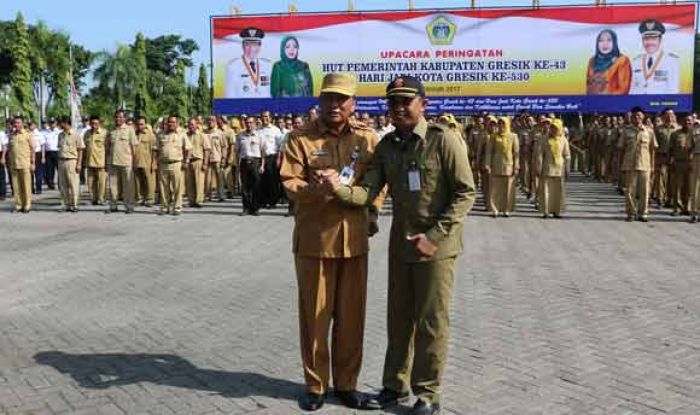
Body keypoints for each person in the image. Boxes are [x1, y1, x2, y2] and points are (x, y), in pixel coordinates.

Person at [325, 75, 475, 415]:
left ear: (423, 104)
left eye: (406, 101)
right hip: (401, 246)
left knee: (431, 322)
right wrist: (338, 188)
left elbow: (466, 193)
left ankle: (428, 394)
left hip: (437, 247)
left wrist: (434, 237)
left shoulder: (444, 140)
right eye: (393, 102)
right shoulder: (388, 146)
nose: (399, 107)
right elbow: (368, 190)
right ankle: (395, 387)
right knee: (399, 320)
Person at [280, 73, 382, 412]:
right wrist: (314, 190)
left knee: (352, 318)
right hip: (314, 241)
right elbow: (289, 182)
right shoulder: (300, 139)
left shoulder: (367, 140)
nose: (334, 105)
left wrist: (371, 212)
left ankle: (347, 385)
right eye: (328, 98)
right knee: (315, 319)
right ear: (320, 100)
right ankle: (316, 386)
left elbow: (378, 183)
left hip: (354, 241)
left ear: (354, 103)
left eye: (342, 99)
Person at [619, 107, 657, 222]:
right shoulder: (626, 131)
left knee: (645, 190)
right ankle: (631, 213)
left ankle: (643, 213)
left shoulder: (649, 131)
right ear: (632, 117)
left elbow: (652, 150)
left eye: (639, 116)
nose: (637, 118)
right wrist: (620, 164)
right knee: (630, 190)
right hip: (630, 164)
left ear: (643, 117)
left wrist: (653, 165)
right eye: (635, 116)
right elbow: (621, 149)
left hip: (645, 164)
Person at [153, 115, 191, 216]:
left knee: (177, 187)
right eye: (169, 122)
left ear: (177, 123)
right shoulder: (160, 134)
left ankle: (177, 207)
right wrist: (154, 162)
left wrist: (185, 161)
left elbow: (188, 149)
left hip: (176, 164)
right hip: (163, 164)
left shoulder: (182, 134)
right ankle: (164, 207)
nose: (171, 124)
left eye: (173, 122)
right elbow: (156, 149)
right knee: (163, 187)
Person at [630, 19, 680, 94]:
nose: (649, 42)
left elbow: (673, 90)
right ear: (642, 40)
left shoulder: (671, 61)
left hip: (659, 104)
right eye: (646, 39)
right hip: (638, 104)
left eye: (653, 39)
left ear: (660, 40)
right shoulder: (636, 61)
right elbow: (632, 88)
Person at [484, 117, 519, 217]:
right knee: (494, 189)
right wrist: (487, 164)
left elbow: (516, 153)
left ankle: (507, 209)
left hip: (509, 166)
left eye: (503, 124)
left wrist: (516, 166)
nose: (501, 126)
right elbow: (489, 152)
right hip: (496, 166)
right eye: (499, 124)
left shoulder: (513, 136)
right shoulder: (493, 137)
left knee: (508, 189)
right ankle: (495, 209)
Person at [536, 119, 571, 218]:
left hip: (560, 169)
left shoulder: (563, 140)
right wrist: (539, 167)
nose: (553, 130)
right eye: (552, 128)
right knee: (546, 191)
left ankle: (557, 211)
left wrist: (567, 169)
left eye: (556, 128)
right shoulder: (544, 139)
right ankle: (546, 211)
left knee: (558, 191)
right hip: (547, 167)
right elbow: (540, 155)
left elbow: (567, 155)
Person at [225, 27, 272, 98]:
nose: (251, 49)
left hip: (265, 108)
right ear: (242, 46)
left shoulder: (268, 66)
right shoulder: (233, 67)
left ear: (260, 46)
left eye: (255, 44)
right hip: (242, 108)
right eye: (247, 45)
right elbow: (230, 96)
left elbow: (272, 93)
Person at [106, 110, 137, 214]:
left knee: (128, 186)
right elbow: (108, 147)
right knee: (112, 186)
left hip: (126, 162)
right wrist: (107, 161)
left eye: (120, 117)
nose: (117, 119)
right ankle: (113, 205)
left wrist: (134, 162)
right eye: (116, 117)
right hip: (113, 162)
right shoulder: (111, 131)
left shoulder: (130, 130)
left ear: (124, 118)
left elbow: (133, 147)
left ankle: (129, 206)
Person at [586, 29, 631, 95]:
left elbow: (623, 89)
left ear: (614, 43)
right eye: (601, 40)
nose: (605, 44)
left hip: (614, 102)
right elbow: (588, 86)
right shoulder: (592, 61)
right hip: (593, 102)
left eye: (609, 40)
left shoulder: (622, 60)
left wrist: (605, 97)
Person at [6, 116, 36, 213]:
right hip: (14, 164)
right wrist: (10, 163)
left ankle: (27, 205)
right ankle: (18, 205)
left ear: (22, 124)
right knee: (16, 187)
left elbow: (32, 150)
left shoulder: (28, 135)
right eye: (15, 123)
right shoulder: (11, 136)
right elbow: (10, 150)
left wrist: (33, 163)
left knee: (26, 186)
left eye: (18, 123)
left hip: (25, 164)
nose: (16, 125)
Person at [56, 116, 85, 213]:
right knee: (63, 185)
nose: (59, 125)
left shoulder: (76, 135)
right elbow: (59, 148)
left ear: (66, 123)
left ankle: (75, 205)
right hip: (61, 161)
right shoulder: (60, 135)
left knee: (73, 184)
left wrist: (79, 164)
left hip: (72, 161)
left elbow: (80, 150)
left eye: (60, 123)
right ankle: (66, 205)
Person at [237, 116, 264, 216]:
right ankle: (246, 208)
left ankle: (255, 208)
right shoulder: (240, 136)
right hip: (244, 161)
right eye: (247, 122)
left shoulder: (259, 136)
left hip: (256, 161)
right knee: (244, 187)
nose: (248, 124)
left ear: (254, 124)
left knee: (256, 186)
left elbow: (263, 151)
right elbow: (237, 151)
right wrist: (237, 165)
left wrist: (262, 165)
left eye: (250, 122)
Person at [653, 109, 679, 207]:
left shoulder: (678, 128)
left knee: (672, 180)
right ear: (664, 117)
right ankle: (660, 199)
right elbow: (655, 144)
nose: (669, 117)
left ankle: (670, 200)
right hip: (662, 156)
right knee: (660, 179)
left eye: (671, 115)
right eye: (667, 115)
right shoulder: (659, 129)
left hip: (674, 157)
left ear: (674, 116)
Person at [668, 115, 693, 216]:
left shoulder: (695, 134)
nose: (687, 122)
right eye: (685, 120)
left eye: (689, 121)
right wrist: (670, 162)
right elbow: (670, 149)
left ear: (692, 122)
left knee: (688, 187)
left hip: (690, 164)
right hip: (678, 163)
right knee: (677, 187)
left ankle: (686, 208)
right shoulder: (675, 134)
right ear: (681, 122)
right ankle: (676, 208)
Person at [259, 111, 283, 208]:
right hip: (261, 158)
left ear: (271, 118)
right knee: (262, 180)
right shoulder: (258, 130)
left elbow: (280, 145)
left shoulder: (275, 130)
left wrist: (278, 158)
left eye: (266, 116)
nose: (265, 118)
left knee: (272, 180)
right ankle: (263, 201)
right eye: (263, 116)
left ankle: (273, 202)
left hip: (272, 157)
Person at [185, 118, 210, 208]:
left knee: (199, 182)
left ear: (196, 125)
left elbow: (207, 150)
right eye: (189, 124)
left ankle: (199, 201)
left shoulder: (202, 135)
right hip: (188, 161)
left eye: (192, 124)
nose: (190, 126)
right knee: (189, 182)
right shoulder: (185, 135)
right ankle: (191, 200)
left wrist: (205, 163)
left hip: (198, 160)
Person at [84, 116, 108, 206]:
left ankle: (101, 199)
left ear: (100, 124)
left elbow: (108, 148)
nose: (94, 125)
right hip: (89, 161)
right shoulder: (87, 133)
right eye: (92, 123)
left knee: (102, 183)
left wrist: (107, 161)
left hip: (100, 162)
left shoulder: (105, 133)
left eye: (96, 123)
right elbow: (84, 147)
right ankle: (94, 199)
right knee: (90, 183)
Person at [134, 117, 156, 207]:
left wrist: (154, 162)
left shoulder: (150, 135)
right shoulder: (134, 134)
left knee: (149, 181)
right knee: (138, 181)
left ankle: (150, 199)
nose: (140, 126)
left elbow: (154, 149)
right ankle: (141, 198)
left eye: (142, 124)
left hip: (147, 161)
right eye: (138, 124)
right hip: (136, 161)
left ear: (145, 124)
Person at [205, 115, 227, 202]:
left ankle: (221, 195)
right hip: (207, 159)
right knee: (207, 179)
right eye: (209, 120)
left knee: (219, 178)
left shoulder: (220, 133)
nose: (210, 122)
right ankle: (208, 195)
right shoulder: (204, 133)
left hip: (217, 158)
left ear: (215, 122)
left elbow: (224, 147)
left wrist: (224, 158)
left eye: (212, 120)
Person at [688, 117, 700, 222]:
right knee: (695, 186)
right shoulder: (695, 129)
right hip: (697, 157)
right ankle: (694, 213)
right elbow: (690, 146)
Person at [29, 121, 46, 195]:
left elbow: (42, 146)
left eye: (31, 124)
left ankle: (38, 188)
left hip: (37, 153)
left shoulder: (39, 134)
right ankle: (31, 188)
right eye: (29, 125)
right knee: (30, 173)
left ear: (35, 125)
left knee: (38, 172)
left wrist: (43, 156)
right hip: (29, 154)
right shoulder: (27, 133)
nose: (30, 126)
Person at [42, 118, 59, 190]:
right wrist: (43, 156)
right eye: (51, 123)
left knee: (59, 169)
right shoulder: (45, 132)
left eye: (53, 122)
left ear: (56, 123)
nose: (52, 124)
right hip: (48, 152)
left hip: (57, 152)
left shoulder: (59, 131)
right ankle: (51, 183)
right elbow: (43, 144)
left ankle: (60, 183)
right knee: (49, 169)